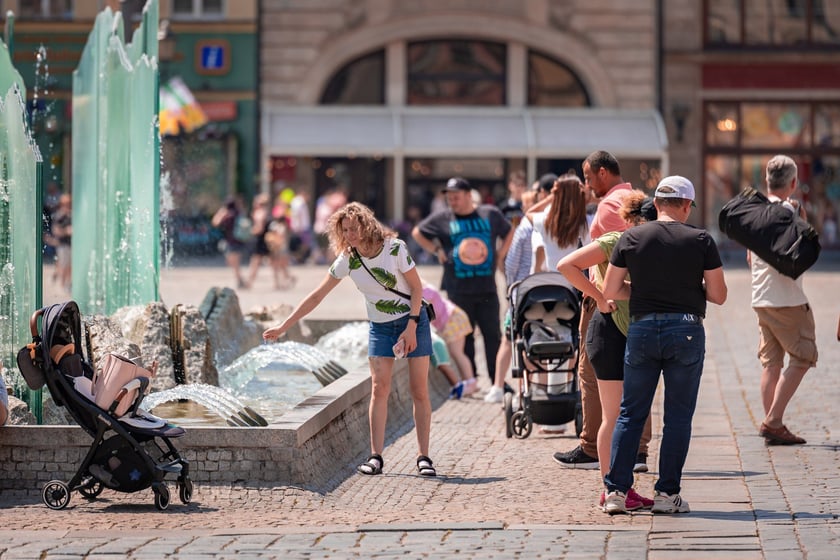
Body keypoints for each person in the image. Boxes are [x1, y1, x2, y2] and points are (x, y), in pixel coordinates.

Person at [263, 202, 436, 477]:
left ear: (367, 225)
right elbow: (317, 295)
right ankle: (375, 456)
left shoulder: (395, 249)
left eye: (354, 228)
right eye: (345, 230)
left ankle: (423, 457)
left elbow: (417, 288)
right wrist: (285, 325)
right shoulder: (348, 259)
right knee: (379, 389)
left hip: (412, 322)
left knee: (419, 391)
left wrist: (412, 327)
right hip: (380, 327)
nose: (351, 234)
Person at [600, 175, 727, 515]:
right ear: (687, 205)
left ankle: (616, 493)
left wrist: (642, 294)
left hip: (641, 328)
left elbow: (611, 290)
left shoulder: (631, 236)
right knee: (678, 418)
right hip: (685, 329)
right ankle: (666, 494)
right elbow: (718, 295)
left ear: (655, 204)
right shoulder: (701, 239)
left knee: (630, 413)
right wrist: (687, 294)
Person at [557, 191, 657, 511]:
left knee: (629, 415)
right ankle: (611, 489)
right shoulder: (614, 240)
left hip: (635, 334)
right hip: (609, 333)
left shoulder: (654, 245)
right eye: (644, 223)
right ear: (632, 221)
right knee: (613, 416)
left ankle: (620, 487)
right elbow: (566, 265)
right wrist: (599, 297)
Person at [412, 177, 513, 386]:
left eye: (456, 197)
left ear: (468, 195)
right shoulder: (443, 218)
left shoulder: (490, 214)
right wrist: (437, 250)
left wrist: (501, 255)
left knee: (492, 334)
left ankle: (497, 383)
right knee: (465, 337)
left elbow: (509, 230)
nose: (453, 202)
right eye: (449, 198)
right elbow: (417, 232)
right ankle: (471, 380)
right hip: (457, 289)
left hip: (487, 288)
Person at [749, 155, 817, 445]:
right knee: (803, 357)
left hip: (760, 296)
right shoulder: (791, 211)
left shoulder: (755, 213)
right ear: (793, 182)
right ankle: (773, 421)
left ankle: (773, 426)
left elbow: (750, 258)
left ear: (766, 181)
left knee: (771, 363)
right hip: (786, 299)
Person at [485, 175, 555, 403]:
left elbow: (511, 262)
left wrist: (510, 287)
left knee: (513, 339)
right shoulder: (556, 224)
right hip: (551, 293)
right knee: (541, 340)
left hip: (523, 292)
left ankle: (505, 387)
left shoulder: (525, 227)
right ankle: (539, 389)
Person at [421, 281, 478, 398]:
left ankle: (471, 382)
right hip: (453, 317)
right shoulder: (426, 288)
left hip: (452, 319)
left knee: (457, 353)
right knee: (457, 353)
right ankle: (468, 382)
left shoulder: (423, 293)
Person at [211, 196, 249, 289]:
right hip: (239, 240)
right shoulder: (238, 213)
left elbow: (215, 223)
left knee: (234, 263)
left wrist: (220, 212)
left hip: (231, 241)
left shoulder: (228, 215)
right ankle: (240, 279)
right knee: (235, 263)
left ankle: (240, 280)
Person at [51, 193, 73, 293]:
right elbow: (55, 230)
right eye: (66, 204)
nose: (68, 206)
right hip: (63, 244)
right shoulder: (59, 216)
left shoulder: (71, 214)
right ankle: (62, 284)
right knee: (63, 264)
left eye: (69, 204)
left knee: (69, 264)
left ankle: (67, 284)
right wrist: (66, 231)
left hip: (70, 244)